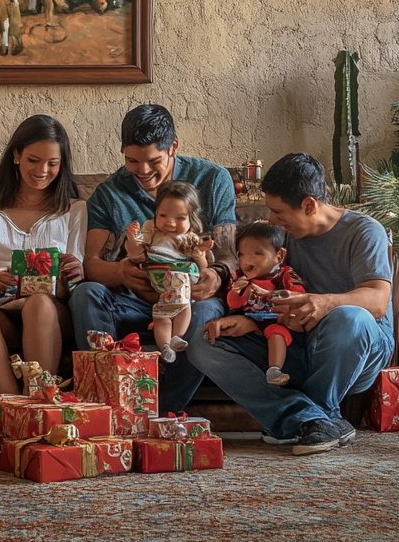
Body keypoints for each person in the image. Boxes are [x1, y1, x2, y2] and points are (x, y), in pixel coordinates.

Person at [190, 153, 394, 456]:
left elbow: (377, 301)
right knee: (202, 344)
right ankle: (311, 421)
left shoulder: (364, 232)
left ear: (310, 205)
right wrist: (251, 322)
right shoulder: (284, 240)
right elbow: (269, 289)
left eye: (278, 212)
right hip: (294, 344)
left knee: (350, 318)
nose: (272, 220)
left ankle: (313, 414)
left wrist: (324, 303)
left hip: (354, 351)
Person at [71, 104, 237, 413]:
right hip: (135, 299)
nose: (143, 172)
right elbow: (91, 264)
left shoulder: (213, 179)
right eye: (131, 160)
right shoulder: (108, 194)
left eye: (153, 161)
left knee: (205, 312)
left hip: (189, 299)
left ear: (174, 147)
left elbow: (227, 254)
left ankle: (155, 413)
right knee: (86, 294)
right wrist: (120, 272)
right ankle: (107, 404)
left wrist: (216, 274)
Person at [0, 115, 86, 393]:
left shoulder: (74, 210)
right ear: (16, 156)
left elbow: (73, 287)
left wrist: (74, 273)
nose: (43, 170)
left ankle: (39, 399)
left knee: (39, 303)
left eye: (53, 163)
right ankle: (12, 404)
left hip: (51, 309)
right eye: (33, 160)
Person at [123, 181, 213, 362]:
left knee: (179, 307)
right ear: (156, 213)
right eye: (163, 215)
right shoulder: (152, 230)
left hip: (181, 281)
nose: (170, 223)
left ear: (191, 219)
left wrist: (203, 258)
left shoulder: (188, 238)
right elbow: (138, 248)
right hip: (158, 278)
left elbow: (202, 264)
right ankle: (164, 346)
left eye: (180, 218)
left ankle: (173, 339)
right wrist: (133, 239)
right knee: (162, 314)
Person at [223, 221, 307, 386]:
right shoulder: (241, 277)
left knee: (275, 332)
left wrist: (272, 297)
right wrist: (238, 289)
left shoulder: (286, 275)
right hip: (249, 324)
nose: (247, 260)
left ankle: (274, 370)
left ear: (279, 256)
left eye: (257, 253)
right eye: (241, 254)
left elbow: (299, 298)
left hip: (276, 322)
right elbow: (233, 303)